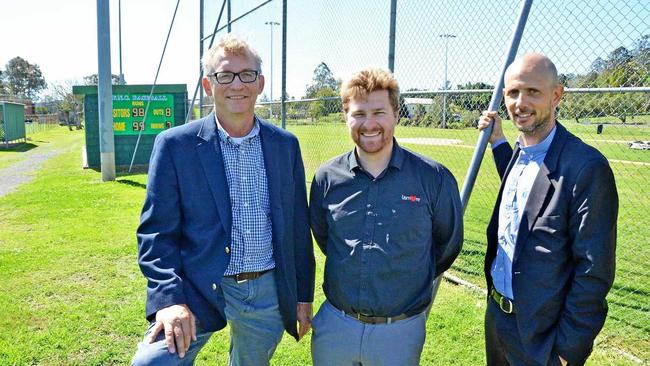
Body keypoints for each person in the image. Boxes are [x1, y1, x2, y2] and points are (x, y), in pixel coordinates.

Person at [131, 35, 315, 365]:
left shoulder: (284, 145)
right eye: (225, 75)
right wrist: (169, 300)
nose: (237, 85)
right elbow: (156, 233)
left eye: (247, 75)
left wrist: (302, 295)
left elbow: (297, 228)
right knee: (153, 363)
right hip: (197, 287)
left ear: (260, 83)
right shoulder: (175, 146)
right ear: (207, 84)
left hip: (264, 290)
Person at [309, 67, 463, 366]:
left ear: (396, 114)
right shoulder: (327, 177)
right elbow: (325, 238)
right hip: (336, 325)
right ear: (346, 116)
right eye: (358, 113)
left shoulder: (433, 178)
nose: (369, 124)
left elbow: (447, 245)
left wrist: (406, 277)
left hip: (400, 330)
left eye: (379, 112)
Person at [478, 53, 618, 366]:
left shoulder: (586, 168)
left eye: (533, 92)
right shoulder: (520, 152)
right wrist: (499, 141)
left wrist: (568, 351)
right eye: (513, 92)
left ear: (557, 96)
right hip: (498, 321)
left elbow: (593, 273)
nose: (520, 102)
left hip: (543, 339)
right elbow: (530, 198)